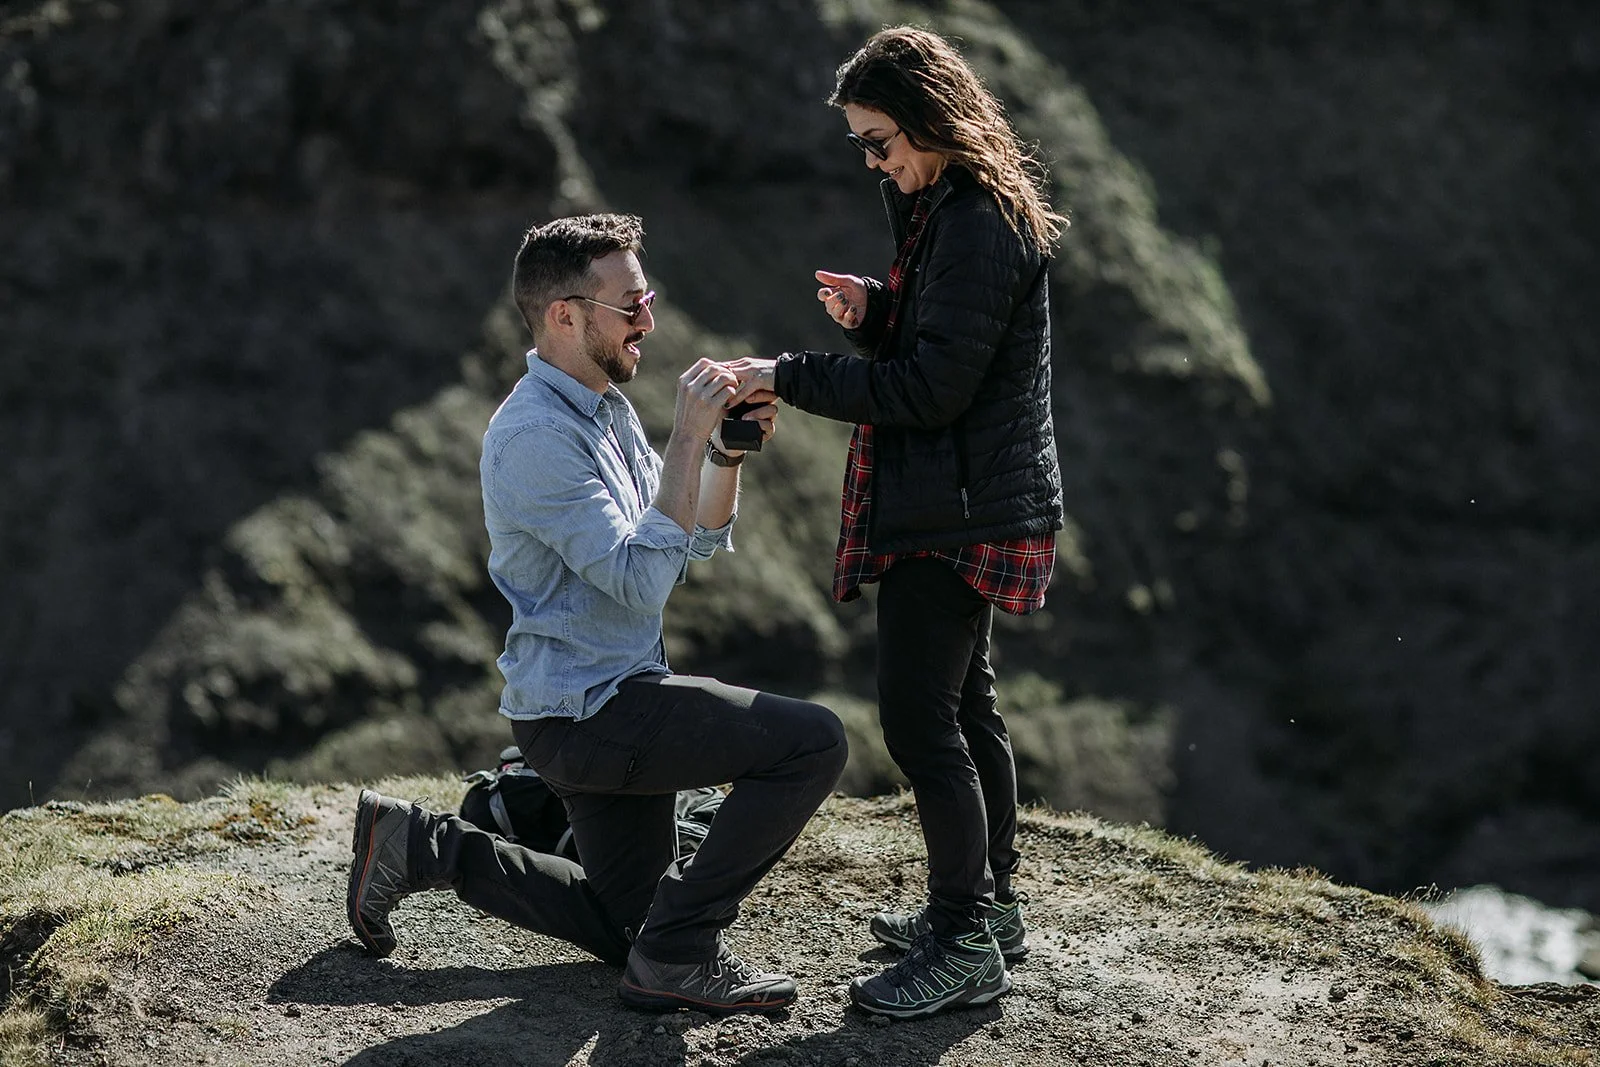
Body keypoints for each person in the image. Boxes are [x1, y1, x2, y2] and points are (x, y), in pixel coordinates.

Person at [346, 213, 848, 1016]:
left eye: (646, 298)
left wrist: (721, 453)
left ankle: (422, 844)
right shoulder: (535, 436)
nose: (648, 319)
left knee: (628, 924)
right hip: (588, 713)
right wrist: (685, 437)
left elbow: (695, 539)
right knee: (814, 741)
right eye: (630, 305)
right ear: (565, 316)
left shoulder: (601, 407)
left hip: (609, 698)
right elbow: (640, 580)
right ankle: (682, 954)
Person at [725, 26, 1067, 1019]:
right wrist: (878, 310)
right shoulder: (959, 207)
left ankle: (964, 941)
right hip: (972, 498)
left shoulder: (974, 221)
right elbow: (946, 342)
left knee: (923, 723)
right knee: (967, 710)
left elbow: (931, 388)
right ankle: (987, 909)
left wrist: (785, 372)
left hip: (956, 510)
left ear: (928, 120)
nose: (875, 161)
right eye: (862, 148)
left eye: (880, 142)